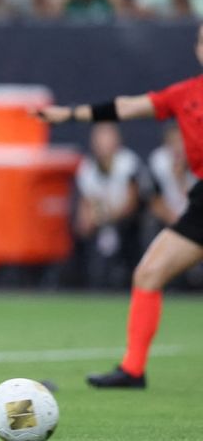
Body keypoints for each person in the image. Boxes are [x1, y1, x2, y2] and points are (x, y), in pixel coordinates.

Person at [34, 24, 203, 389]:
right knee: (149, 273)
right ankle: (133, 370)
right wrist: (70, 115)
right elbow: (126, 106)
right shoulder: (185, 94)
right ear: (197, 49)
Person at [74, 123, 144, 289]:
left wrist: (105, 217)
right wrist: (87, 221)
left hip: (128, 223)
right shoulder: (87, 167)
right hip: (102, 222)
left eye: (107, 138)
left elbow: (131, 204)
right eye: (100, 139)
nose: (103, 144)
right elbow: (86, 203)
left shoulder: (128, 162)